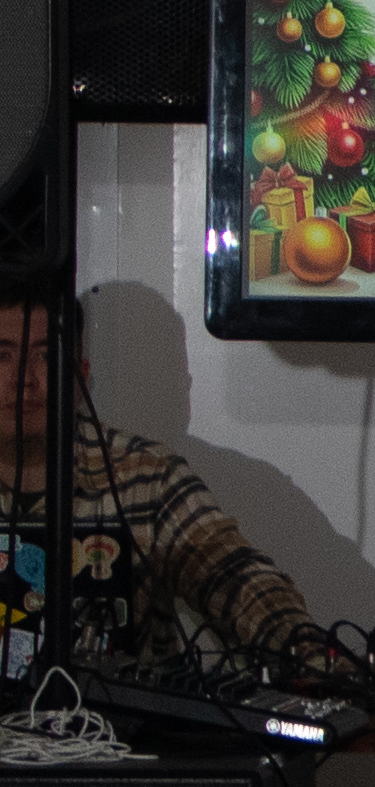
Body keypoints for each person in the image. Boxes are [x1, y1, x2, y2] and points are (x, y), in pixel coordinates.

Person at [0, 285, 336, 682]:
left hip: (114, 720)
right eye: (2, 355)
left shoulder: (146, 474)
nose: (24, 379)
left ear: (82, 377)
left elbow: (233, 577)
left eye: (45, 355)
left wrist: (313, 660)